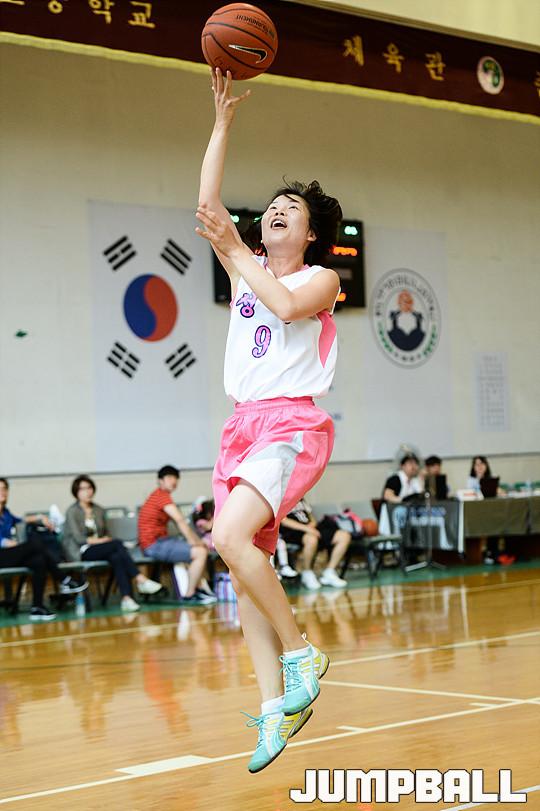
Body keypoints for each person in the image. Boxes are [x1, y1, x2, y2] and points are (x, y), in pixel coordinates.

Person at [195, 67, 341, 772]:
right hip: (242, 427)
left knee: (226, 535)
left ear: (309, 234)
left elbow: (284, 308)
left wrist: (236, 252)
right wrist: (222, 123)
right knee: (241, 561)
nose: (279, 210)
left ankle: (302, 652)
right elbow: (208, 205)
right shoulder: (246, 269)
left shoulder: (320, 280)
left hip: (291, 427)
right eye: (274, 205)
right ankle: (275, 707)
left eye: (292, 209)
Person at [63, 475, 163, 612]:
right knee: (117, 544)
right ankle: (140, 579)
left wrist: (104, 540)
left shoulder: (99, 510)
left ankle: (127, 599)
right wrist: (102, 541)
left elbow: (106, 533)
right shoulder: (72, 511)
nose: (87, 491)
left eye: (89, 488)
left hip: (101, 548)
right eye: (83, 489)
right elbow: (79, 539)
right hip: (82, 550)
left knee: (116, 557)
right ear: (76, 492)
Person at [0, 477, 86, 621]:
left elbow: (21, 520)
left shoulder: (6, 513)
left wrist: (40, 517)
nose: (2, 492)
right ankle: (63, 578)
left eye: (4, 489)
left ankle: (37, 607)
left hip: (8, 555)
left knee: (38, 560)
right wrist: (4, 542)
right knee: (35, 543)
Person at [138, 466, 216, 605]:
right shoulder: (161, 496)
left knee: (196, 550)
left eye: (175, 478)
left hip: (159, 542)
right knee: (200, 552)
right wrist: (196, 543)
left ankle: (198, 589)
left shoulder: (158, 495)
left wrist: (195, 542)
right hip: (153, 545)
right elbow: (179, 520)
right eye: (169, 477)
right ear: (160, 481)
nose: (173, 481)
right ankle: (190, 594)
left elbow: (179, 522)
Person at [280, 500, 350, 590]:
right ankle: (307, 572)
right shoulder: (280, 500)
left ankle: (329, 571)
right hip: (293, 531)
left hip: (311, 529)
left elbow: (311, 517)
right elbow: (284, 521)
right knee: (311, 539)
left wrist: (312, 525)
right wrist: (306, 529)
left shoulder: (301, 499)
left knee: (344, 536)